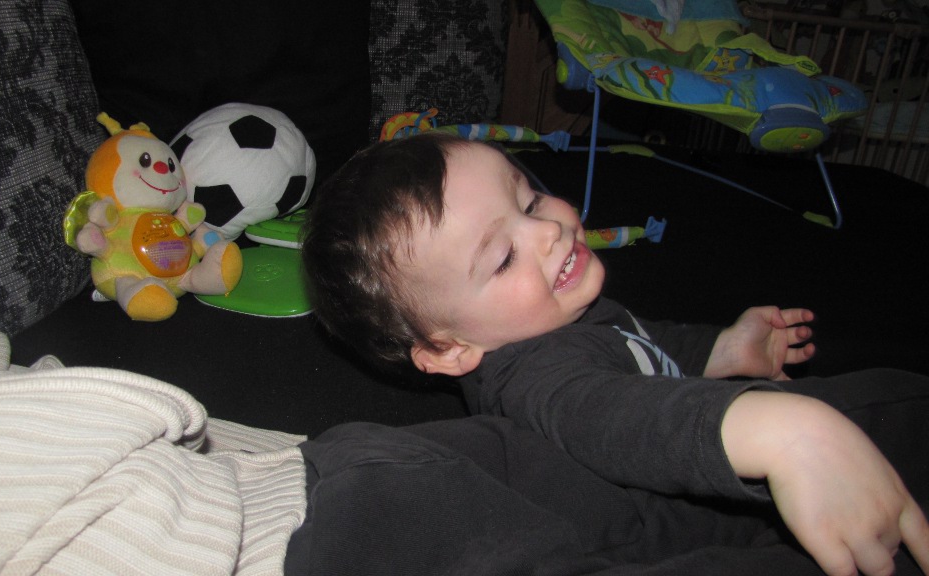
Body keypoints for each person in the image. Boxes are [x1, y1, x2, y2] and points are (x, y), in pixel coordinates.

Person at [299, 131, 929, 576]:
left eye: (529, 200)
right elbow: (620, 415)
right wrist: (787, 434)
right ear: (448, 349)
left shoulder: (558, 317)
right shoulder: (537, 377)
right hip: (714, 520)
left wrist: (719, 349)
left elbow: (638, 348)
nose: (548, 230)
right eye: (504, 257)